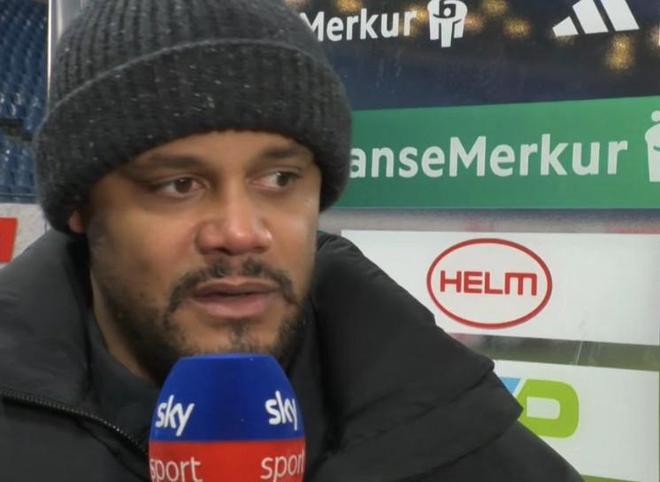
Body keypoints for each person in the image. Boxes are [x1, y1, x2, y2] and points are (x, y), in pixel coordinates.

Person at [0, 0, 582, 480]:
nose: (240, 233)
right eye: (179, 184)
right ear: (81, 207)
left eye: (279, 179)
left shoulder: (461, 439)